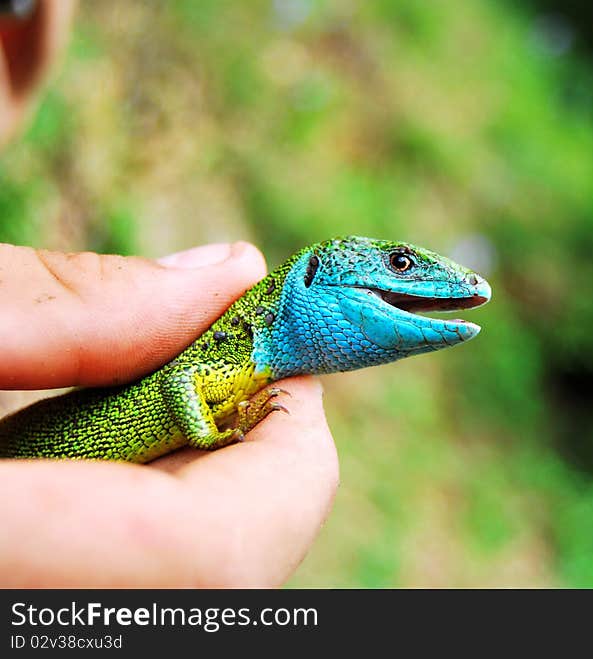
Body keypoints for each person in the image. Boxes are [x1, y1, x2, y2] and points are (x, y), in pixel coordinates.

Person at [0, 1, 339, 586]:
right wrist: (209, 438)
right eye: (398, 264)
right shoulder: (237, 340)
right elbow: (183, 384)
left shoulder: (245, 341)